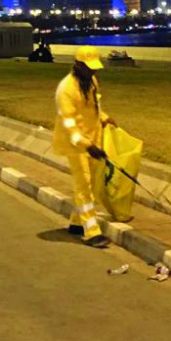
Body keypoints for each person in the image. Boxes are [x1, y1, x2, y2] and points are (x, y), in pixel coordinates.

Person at [53, 45, 117, 248]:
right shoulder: (66, 89)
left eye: (95, 68)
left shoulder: (90, 81)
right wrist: (86, 144)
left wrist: (105, 118)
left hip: (93, 139)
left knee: (92, 184)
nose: (93, 71)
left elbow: (93, 107)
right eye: (89, 68)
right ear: (78, 65)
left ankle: (76, 222)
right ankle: (91, 232)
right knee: (85, 186)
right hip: (76, 144)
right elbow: (69, 122)